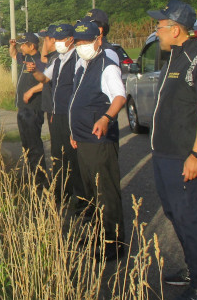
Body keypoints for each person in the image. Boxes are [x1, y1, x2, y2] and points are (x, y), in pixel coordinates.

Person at [147, 0, 197, 300]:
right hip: (163, 153)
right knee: (175, 213)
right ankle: (195, 268)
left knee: (190, 218)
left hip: (183, 155)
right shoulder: (175, 57)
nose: (157, 32)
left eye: (160, 27)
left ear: (176, 30)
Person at [69, 20, 126, 261]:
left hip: (99, 141)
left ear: (98, 40)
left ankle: (113, 243)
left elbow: (119, 97)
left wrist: (106, 118)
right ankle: (97, 234)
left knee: (106, 192)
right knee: (91, 192)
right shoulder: (82, 66)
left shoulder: (107, 66)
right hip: (82, 140)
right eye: (79, 42)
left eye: (86, 42)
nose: (82, 46)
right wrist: (74, 132)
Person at [31, 24, 86, 207]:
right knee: (58, 156)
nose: (57, 42)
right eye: (55, 38)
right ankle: (60, 195)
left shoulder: (78, 59)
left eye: (60, 39)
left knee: (74, 157)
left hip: (70, 115)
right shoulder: (58, 60)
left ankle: (82, 200)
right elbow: (45, 79)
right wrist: (34, 72)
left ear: (71, 39)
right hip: (56, 115)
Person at [9, 32, 48, 187]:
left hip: (33, 109)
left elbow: (47, 81)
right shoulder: (25, 58)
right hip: (23, 108)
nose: (21, 47)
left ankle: (40, 180)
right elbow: (13, 55)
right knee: (26, 144)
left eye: (23, 44)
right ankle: (32, 174)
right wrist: (12, 46)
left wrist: (32, 91)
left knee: (34, 145)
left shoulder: (41, 61)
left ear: (32, 46)